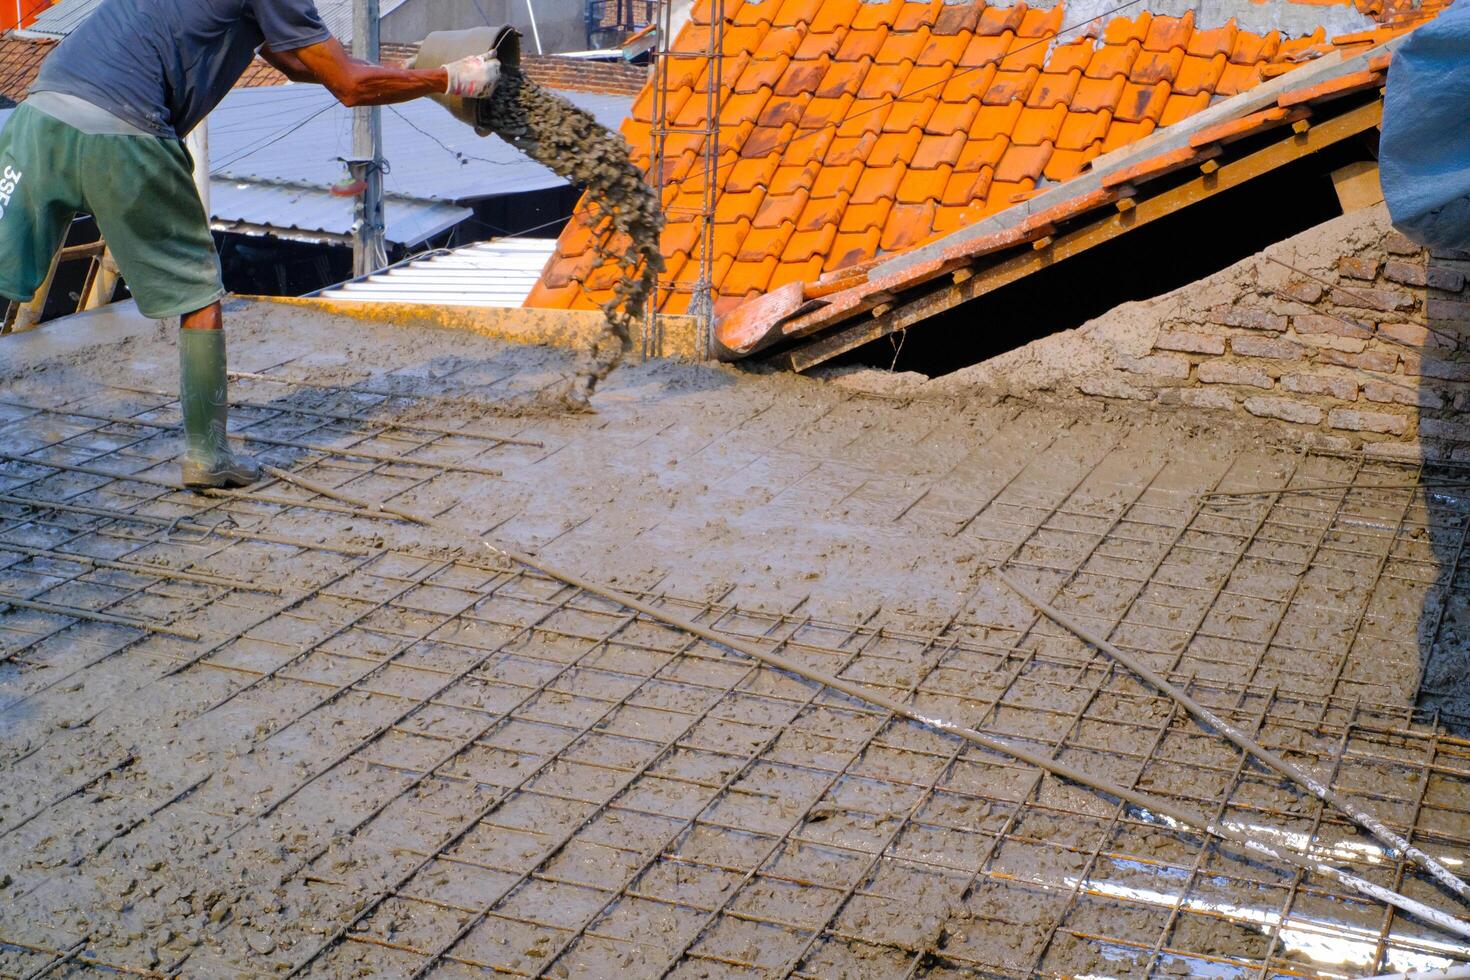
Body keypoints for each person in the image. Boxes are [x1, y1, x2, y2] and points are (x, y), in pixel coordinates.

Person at [0, 0, 503, 488]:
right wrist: (445, 79)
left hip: (40, 114)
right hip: (124, 130)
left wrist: (401, 74)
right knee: (198, 298)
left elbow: (292, 60)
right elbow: (347, 85)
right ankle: (208, 458)